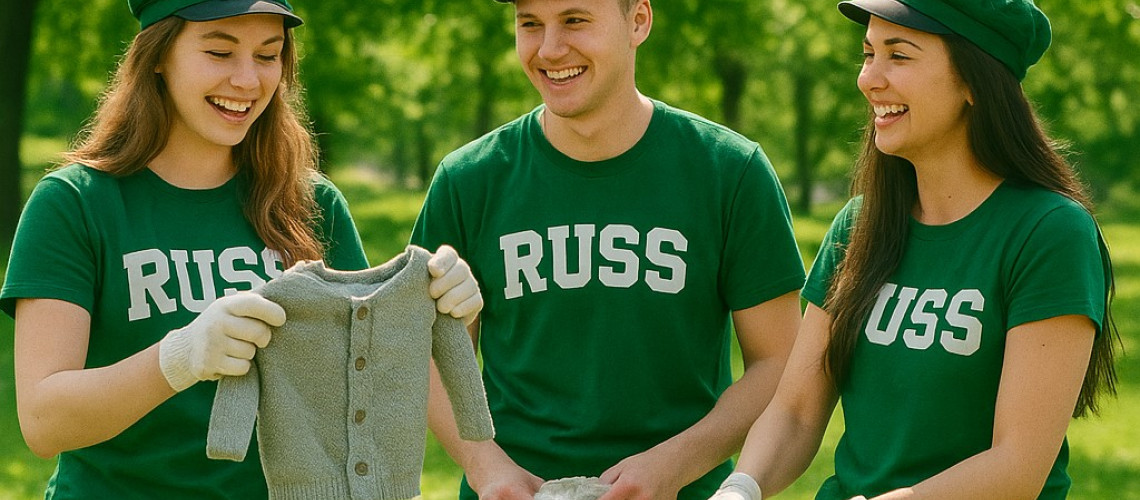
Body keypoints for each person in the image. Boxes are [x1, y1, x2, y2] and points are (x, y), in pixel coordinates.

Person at [0, 1, 483, 498]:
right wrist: (179, 358)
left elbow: (367, 390)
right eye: (219, 52)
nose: (248, 81)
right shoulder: (75, 204)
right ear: (158, 55)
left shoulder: (312, 203)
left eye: (267, 55)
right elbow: (43, 422)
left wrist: (435, 313)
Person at [708, 1, 1120, 499]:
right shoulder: (858, 225)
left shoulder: (1049, 233)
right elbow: (795, 412)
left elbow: (1017, 467)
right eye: (868, 54)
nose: (868, 79)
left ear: (974, 81)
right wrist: (739, 489)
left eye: (898, 55)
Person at [410, 0, 806, 499]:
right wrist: (485, 464)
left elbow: (778, 361)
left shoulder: (730, 172)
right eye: (530, 24)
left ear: (638, 21)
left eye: (574, 20)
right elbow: (428, 353)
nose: (549, 49)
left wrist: (674, 465)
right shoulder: (468, 180)